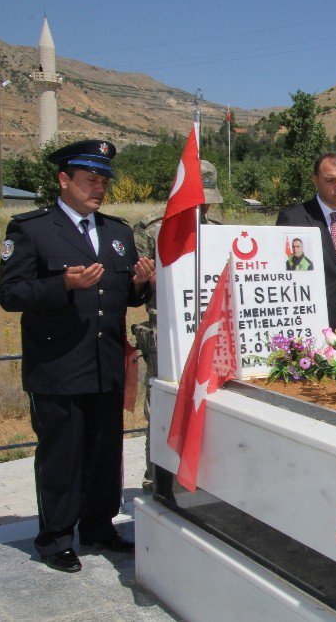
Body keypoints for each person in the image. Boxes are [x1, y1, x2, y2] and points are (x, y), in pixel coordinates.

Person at [0, 140, 154, 573]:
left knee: (106, 451)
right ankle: (56, 537)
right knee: (62, 454)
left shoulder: (118, 232)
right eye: (90, 180)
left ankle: (99, 526)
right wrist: (61, 285)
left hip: (106, 362)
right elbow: (10, 294)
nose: (98, 188)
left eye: (103, 181)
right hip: (59, 364)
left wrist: (141, 283)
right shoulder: (32, 229)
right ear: (64, 180)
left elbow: (123, 297)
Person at [131, 160, 223, 492]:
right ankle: (157, 481)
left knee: (207, 406)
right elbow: (132, 289)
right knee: (161, 410)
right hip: (166, 337)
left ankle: (200, 479)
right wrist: (146, 282)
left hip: (207, 336)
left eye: (208, 199)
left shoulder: (215, 227)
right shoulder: (151, 229)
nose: (204, 206)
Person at [276, 152, 336, 330]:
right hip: (313, 321)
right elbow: (285, 273)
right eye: (331, 180)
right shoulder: (293, 219)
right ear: (315, 180)